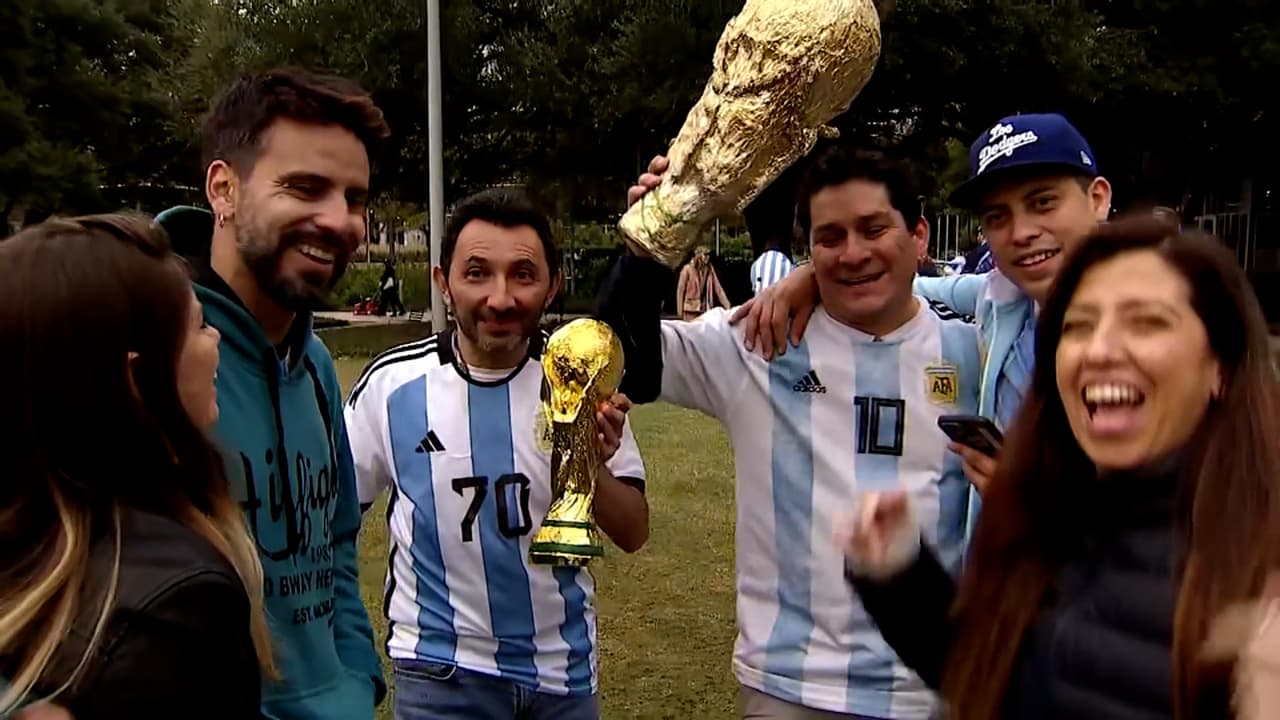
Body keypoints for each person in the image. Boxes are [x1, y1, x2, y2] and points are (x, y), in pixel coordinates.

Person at [838, 216, 1280, 719]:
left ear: (1220, 367)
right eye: (1078, 326)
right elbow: (1001, 679)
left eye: (1147, 322)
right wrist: (899, 575)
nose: (1099, 350)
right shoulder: (1055, 515)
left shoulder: (1259, 569)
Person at [600, 146, 981, 720]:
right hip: (790, 685)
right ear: (807, 250)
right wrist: (653, 239)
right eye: (829, 238)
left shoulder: (974, 352)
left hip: (934, 688)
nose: (852, 254)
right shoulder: (759, 340)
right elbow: (616, 354)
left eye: (873, 229)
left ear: (920, 235)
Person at [345, 188, 649, 720]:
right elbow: (333, 520)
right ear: (444, 283)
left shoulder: (579, 376)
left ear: (553, 286)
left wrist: (587, 463)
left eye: (523, 275)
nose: (501, 298)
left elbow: (633, 531)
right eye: (478, 272)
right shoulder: (392, 388)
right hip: (441, 673)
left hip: (563, 676)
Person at [735, 113, 1112, 534]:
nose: (1021, 232)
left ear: (1097, 199)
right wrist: (816, 274)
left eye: (1043, 202)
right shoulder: (1005, 299)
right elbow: (917, 287)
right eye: (997, 217)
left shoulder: (1157, 333)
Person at [154, 68, 386, 719]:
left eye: (355, 198)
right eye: (305, 188)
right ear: (223, 190)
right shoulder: (150, 350)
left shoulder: (313, 363)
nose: (339, 221)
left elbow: (336, 543)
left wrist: (355, 680)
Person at [0, 214, 274, 718]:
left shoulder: (29, 558)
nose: (216, 342)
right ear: (133, 379)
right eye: (199, 325)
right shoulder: (178, 606)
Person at [677, 246, 731, 320]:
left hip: (705, 310)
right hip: (690, 309)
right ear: (698, 255)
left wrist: (728, 307)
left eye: (708, 255)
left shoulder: (709, 269)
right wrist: (679, 312)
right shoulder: (687, 269)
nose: (707, 257)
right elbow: (680, 290)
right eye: (705, 254)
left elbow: (718, 289)